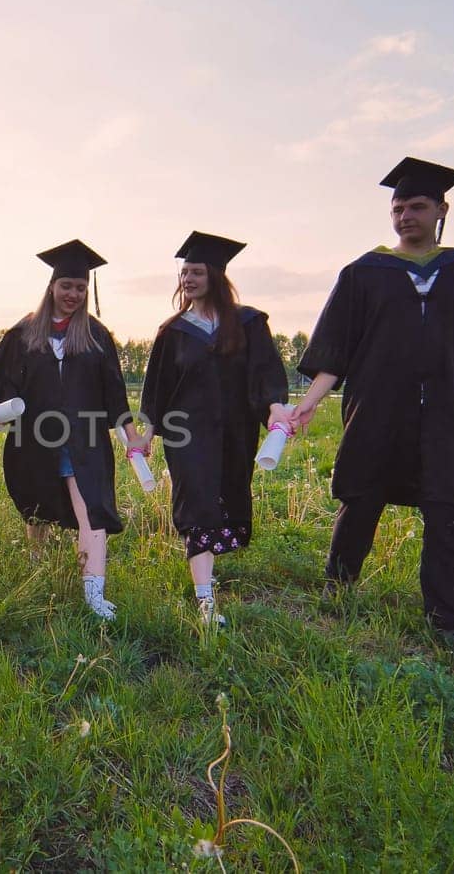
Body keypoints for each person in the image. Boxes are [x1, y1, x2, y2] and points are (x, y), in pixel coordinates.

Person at [290, 157, 454, 656]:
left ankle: (452, 622)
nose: (405, 216)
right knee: (361, 496)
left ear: (441, 209)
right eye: (398, 207)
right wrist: (307, 404)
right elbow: (336, 350)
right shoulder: (363, 272)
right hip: (377, 408)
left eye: (416, 206)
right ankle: (339, 586)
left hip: (451, 412)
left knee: (453, 507)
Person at [0, 239, 139, 620]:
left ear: (88, 291)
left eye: (80, 287)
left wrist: (131, 435)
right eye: (66, 286)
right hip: (33, 439)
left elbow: (115, 394)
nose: (73, 294)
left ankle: (93, 592)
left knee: (91, 509)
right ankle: (37, 564)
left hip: (84, 440)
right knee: (36, 509)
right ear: (52, 286)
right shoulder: (23, 333)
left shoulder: (97, 336)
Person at [140, 232, 291, 624]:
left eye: (196, 272)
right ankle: (205, 600)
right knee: (198, 502)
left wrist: (275, 406)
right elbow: (156, 388)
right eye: (184, 272)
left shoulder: (248, 322)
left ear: (216, 275)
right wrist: (145, 433)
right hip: (186, 433)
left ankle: (208, 575)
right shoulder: (173, 331)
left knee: (227, 498)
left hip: (235, 431)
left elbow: (265, 371)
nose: (187, 279)